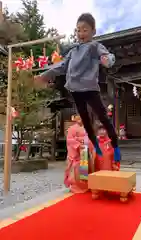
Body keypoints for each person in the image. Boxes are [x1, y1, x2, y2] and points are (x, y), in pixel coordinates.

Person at [35, 13, 121, 162]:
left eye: (85, 30)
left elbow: (106, 56)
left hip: (90, 88)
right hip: (75, 89)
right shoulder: (73, 51)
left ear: (93, 31)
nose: (81, 34)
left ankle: (116, 145)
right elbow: (61, 66)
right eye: (78, 30)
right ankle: (95, 145)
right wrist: (44, 75)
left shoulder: (94, 46)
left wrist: (107, 60)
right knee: (86, 120)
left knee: (103, 116)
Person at [64, 115, 95, 193]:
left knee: (84, 169)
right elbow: (69, 140)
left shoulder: (87, 128)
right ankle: (76, 187)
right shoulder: (72, 128)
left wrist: (90, 146)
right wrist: (78, 144)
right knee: (76, 170)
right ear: (76, 119)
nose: (80, 120)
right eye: (79, 118)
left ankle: (85, 186)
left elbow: (90, 139)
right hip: (77, 152)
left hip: (85, 150)